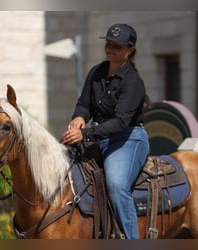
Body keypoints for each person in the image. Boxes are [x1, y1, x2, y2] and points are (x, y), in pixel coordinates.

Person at [63, 23, 150, 239]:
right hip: (98, 137)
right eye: (108, 44)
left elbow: (121, 122)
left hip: (128, 139)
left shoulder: (133, 82)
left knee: (117, 185)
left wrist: (84, 134)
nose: (110, 49)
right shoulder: (96, 72)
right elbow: (84, 104)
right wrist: (79, 118)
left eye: (117, 46)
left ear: (130, 50)